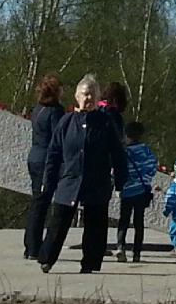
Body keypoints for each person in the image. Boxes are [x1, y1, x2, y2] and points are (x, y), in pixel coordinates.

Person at [37, 75, 128, 274]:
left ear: (97, 99)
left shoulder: (105, 122)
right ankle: (47, 258)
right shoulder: (66, 122)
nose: (88, 99)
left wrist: (121, 182)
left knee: (96, 224)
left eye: (92, 95)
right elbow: (54, 154)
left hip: (97, 181)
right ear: (77, 96)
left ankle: (91, 263)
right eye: (85, 94)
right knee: (58, 221)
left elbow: (118, 153)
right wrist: (48, 181)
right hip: (69, 180)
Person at [23, 74, 65, 260]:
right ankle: (34, 247)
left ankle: (30, 244)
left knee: (37, 202)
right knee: (41, 204)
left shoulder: (37, 109)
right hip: (46, 160)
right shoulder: (55, 111)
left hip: (35, 157)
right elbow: (59, 137)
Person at [117, 121, 159, 264]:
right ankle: (137, 253)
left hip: (127, 191)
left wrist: (119, 184)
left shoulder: (123, 151)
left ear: (126, 135)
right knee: (138, 223)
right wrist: (146, 180)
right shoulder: (146, 150)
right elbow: (153, 166)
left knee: (123, 221)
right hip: (141, 191)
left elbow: (118, 169)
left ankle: (120, 248)